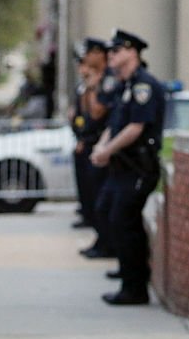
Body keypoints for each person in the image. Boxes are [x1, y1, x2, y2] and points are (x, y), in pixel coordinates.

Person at [90, 29, 166, 305]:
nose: (111, 56)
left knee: (125, 222)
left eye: (116, 51)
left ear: (132, 52)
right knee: (110, 214)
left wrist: (107, 150)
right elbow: (115, 125)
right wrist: (102, 146)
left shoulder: (144, 85)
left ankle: (135, 287)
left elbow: (136, 127)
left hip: (138, 167)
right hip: (122, 167)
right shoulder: (127, 85)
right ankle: (127, 275)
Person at [68, 38, 111, 237]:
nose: (85, 60)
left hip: (102, 145)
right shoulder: (91, 81)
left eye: (89, 54)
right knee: (91, 192)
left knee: (102, 201)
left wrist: (92, 87)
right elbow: (84, 114)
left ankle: (103, 239)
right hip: (90, 141)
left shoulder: (108, 80)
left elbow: (96, 113)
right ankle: (97, 234)